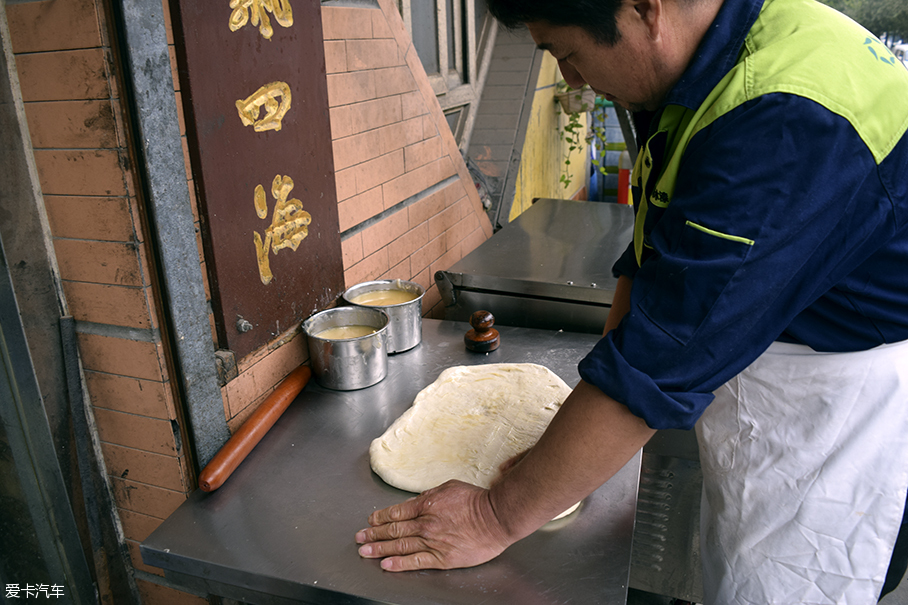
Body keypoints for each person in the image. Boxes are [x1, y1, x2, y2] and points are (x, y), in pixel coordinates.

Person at [355, 0, 908, 601]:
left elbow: (660, 357)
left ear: (645, 10)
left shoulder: (784, 121)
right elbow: (653, 260)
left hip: (839, 409)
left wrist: (497, 516)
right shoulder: (701, 68)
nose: (570, 78)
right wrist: (566, 449)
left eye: (568, 54)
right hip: (775, 367)